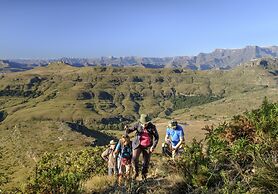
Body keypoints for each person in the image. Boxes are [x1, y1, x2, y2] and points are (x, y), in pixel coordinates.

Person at [125, 114, 159, 180]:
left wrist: (153, 146)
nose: (144, 125)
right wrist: (127, 129)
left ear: (148, 122)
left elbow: (156, 137)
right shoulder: (137, 124)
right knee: (134, 159)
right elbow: (129, 130)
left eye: (145, 124)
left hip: (148, 146)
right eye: (143, 124)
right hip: (138, 144)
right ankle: (136, 172)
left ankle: (144, 174)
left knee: (146, 161)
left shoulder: (152, 127)